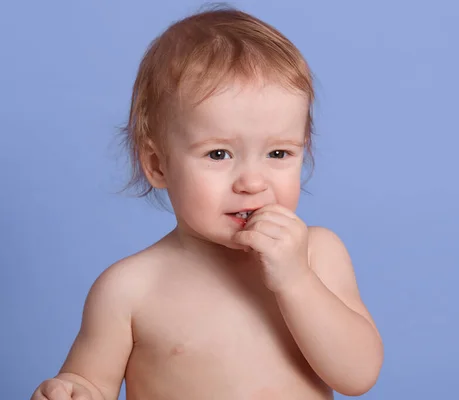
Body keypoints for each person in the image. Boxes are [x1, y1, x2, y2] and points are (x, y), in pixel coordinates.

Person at [31, 5, 383, 400]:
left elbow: (359, 375)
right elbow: (90, 381)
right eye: (219, 154)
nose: (252, 182)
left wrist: (296, 281)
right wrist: (73, 390)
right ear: (157, 164)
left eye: (279, 154)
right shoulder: (130, 289)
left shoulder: (319, 255)